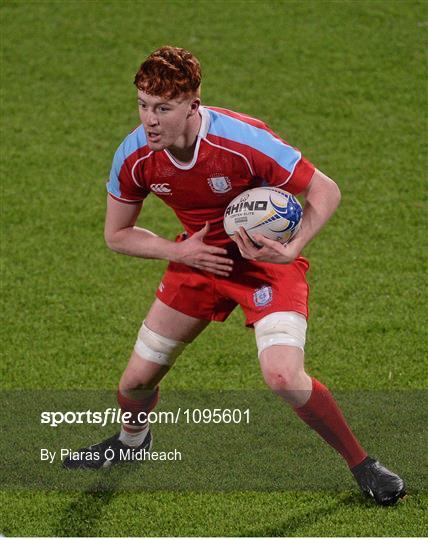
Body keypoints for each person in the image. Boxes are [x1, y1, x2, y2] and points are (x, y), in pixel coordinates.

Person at [63, 46, 405, 506]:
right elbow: (116, 234)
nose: (150, 120)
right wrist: (180, 250)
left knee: (283, 376)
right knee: (133, 384)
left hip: (263, 265)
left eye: (163, 108)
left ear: (193, 105)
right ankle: (132, 441)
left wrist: (293, 247)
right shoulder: (134, 156)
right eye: (143, 105)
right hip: (197, 257)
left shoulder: (244, 141)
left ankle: (362, 464)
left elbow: (325, 189)